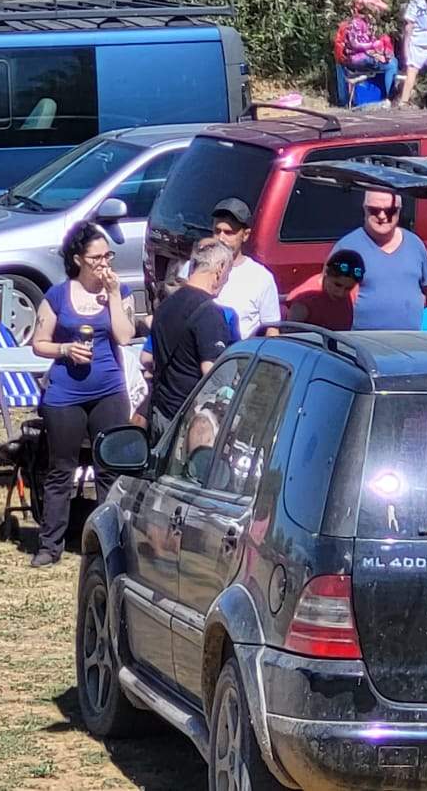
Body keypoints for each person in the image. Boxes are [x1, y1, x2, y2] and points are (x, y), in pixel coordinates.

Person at [28, 221, 135, 567]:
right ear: (78, 259)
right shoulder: (59, 295)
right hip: (65, 393)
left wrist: (115, 295)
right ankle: (49, 544)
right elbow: (38, 344)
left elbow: (123, 335)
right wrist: (65, 349)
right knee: (61, 469)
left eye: (108, 256)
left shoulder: (122, 292)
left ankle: (109, 546)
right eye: (96, 257)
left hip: (109, 390)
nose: (104, 263)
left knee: (110, 469)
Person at [148, 239, 235, 423]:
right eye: (228, 273)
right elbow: (213, 373)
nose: (227, 280)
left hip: (162, 413)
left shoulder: (166, 306)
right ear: (219, 269)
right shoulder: (209, 312)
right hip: (189, 421)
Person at [331, 189, 427, 330]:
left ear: (399, 210)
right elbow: (330, 300)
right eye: (374, 210)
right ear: (364, 209)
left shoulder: (416, 244)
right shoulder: (346, 248)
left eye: (390, 211)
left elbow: (426, 292)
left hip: (408, 344)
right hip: (360, 345)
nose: (382, 216)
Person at [203, 197, 280, 339]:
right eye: (217, 231)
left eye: (229, 232)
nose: (221, 238)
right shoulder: (197, 270)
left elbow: (272, 330)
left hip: (240, 356)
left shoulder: (261, 278)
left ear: (245, 235)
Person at [286, 250, 363, 331]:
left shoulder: (354, 290)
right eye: (337, 285)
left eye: (348, 288)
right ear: (326, 273)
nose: (341, 293)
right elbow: (288, 336)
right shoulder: (303, 301)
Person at [396, 0, 427, 106]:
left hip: (418, 40)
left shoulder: (415, 0)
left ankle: (404, 101)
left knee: (412, 70)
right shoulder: (426, 0)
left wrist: (406, 46)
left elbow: (409, 26)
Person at [335, 0, 395, 74]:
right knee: (391, 65)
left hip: (363, 54)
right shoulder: (356, 23)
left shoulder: (367, 22)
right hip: (355, 57)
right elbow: (355, 44)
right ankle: (391, 87)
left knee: (391, 59)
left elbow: (368, 39)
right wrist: (373, 46)